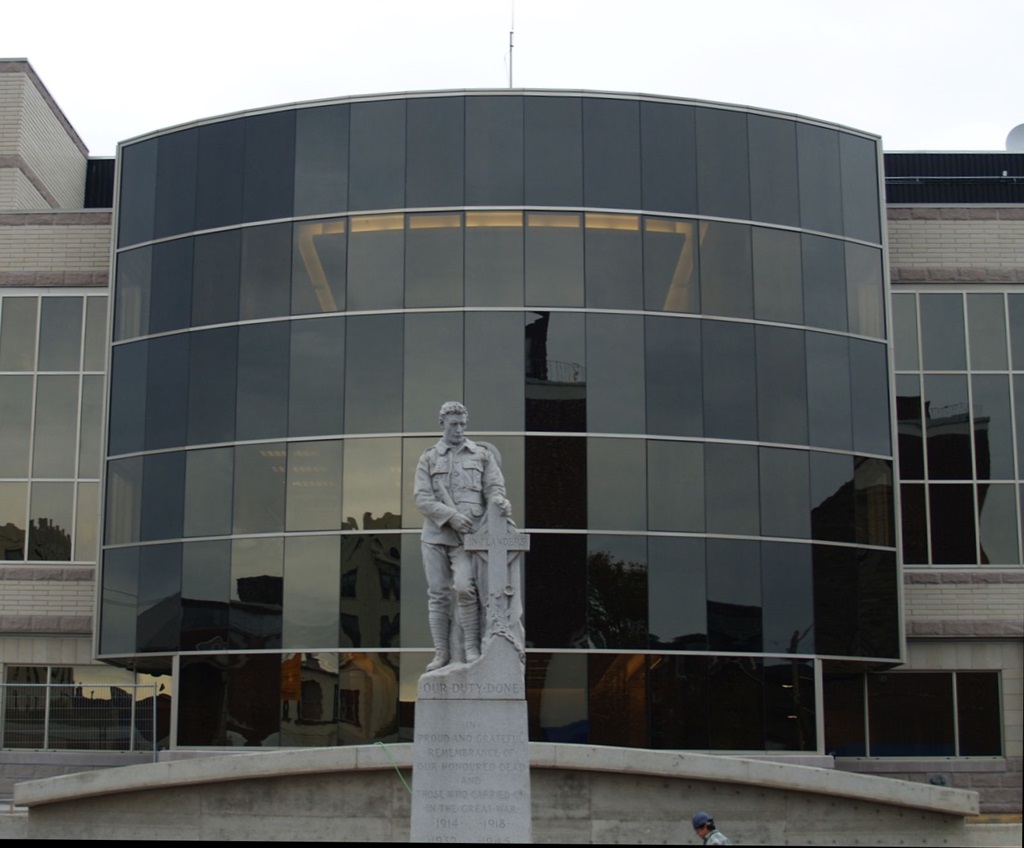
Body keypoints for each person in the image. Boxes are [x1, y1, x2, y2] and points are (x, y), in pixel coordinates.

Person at [414, 401, 511, 671]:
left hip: (469, 536)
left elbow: (494, 487)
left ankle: (471, 647)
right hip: (436, 535)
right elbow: (421, 498)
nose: (459, 429)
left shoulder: (480, 455)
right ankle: (442, 653)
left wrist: (499, 501)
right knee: (438, 593)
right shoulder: (429, 457)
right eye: (454, 424)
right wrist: (450, 515)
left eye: (462, 424)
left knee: (465, 588)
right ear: (442, 423)